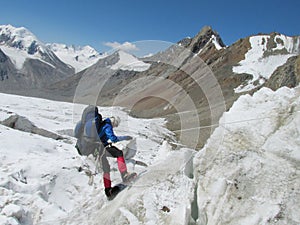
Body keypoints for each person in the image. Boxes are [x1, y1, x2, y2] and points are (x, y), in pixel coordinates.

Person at [74, 105, 136, 199]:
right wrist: (125, 137)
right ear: (114, 122)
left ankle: (108, 190)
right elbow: (113, 138)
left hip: (95, 148)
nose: (114, 126)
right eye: (115, 125)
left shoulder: (101, 124)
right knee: (119, 153)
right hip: (100, 147)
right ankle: (124, 174)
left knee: (106, 168)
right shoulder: (107, 125)